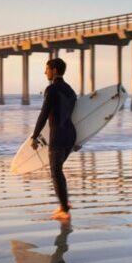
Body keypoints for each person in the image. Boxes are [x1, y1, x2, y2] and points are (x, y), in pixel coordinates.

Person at [31, 58, 77, 220]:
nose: (45, 72)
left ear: (55, 70)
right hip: (70, 136)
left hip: (58, 137)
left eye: (47, 69)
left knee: (55, 172)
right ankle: (65, 204)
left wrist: (34, 136)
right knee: (58, 171)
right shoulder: (71, 90)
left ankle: (64, 210)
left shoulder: (51, 90)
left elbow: (44, 115)